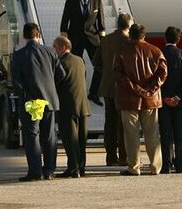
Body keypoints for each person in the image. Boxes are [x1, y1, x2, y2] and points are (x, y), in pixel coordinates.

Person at [11, 23, 65, 181]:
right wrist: (50, 88)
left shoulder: (19, 55)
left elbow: (17, 81)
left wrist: (26, 96)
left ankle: (35, 171)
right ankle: (49, 170)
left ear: (24, 36)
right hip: (49, 101)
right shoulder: (50, 51)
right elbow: (61, 74)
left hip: (32, 103)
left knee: (32, 136)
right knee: (49, 137)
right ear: (38, 35)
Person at [113, 24, 167, 176]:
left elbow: (118, 74)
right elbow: (163, 74)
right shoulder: (155, 51)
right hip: (150, 100)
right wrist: (150, 90)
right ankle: (156, 167)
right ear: (144, 35)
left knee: (131, 135)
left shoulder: (122, 51)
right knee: (152, 135)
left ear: (130, 34)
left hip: (128, 99)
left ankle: (134, 167)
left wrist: (136, 89)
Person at [92, 12, 132, 166]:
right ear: (128, 25)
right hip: (123, 87)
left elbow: (96, 62)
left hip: (107, 87)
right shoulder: (128, 42)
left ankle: (110, 157)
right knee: (123, 123)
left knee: (109, 124)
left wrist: (107, 72)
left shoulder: (106, 40)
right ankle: (123, 156)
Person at [59, 0, 105, 105]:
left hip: (92, 38)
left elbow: (101, 23)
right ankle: (79, 92)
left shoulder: (97, 0)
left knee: (100, 66)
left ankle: (93, 93)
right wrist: (64, 37)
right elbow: (65, 20)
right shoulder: (71, 0)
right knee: (77, 67)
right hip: (75, 38)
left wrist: (103, 40)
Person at [53, 36, 90, 178]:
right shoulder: (79, 60)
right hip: (83, 105)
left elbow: (57, 82)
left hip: (68, 106)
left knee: (70, 139)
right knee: (81, 139)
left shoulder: (61, 62)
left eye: (55, 47)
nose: (54, 50)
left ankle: (73, 168)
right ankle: (81, 167)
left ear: (62, 47)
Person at [159, 26, 182, 173]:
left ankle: (166, 165)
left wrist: (164, 96)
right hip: (180, 102)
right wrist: (178, 97)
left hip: (163, 102)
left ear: (165, 38)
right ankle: (181, 164)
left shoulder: (158, 54)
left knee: (166, 135)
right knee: (180, 134)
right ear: (178, 39)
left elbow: (156, 79)